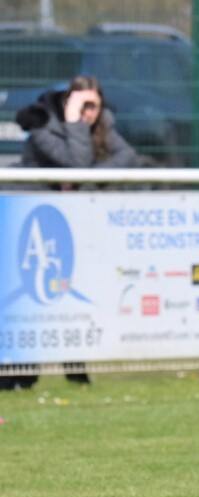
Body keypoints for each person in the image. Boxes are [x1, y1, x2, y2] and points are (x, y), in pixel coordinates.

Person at [0, 74, 138, 391]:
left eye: (94, 106)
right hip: (24, 218)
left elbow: (125, 156)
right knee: (24, 298)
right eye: (83, 105)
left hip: (62, 221)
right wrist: (74, 120)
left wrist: (88, 177)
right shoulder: (41, 124)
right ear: (68, 102)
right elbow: (76, 162)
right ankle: (17, 370)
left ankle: (73, 369)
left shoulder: (101, 124)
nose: (90, 113)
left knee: (68, 294)